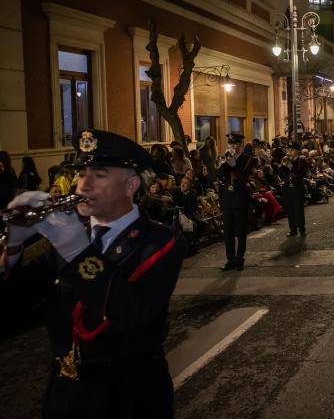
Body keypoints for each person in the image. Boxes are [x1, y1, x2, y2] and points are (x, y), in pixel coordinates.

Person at [3, 129, 186, 418]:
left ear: (131, 185)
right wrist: (12, 246)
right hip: (65, 395)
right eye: (80, 174)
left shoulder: (159, 240)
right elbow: (12, 308)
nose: (83, 185)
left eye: (99, 174)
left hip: (129, 396)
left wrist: (76, 249)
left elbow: (130, 315)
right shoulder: (70, 238)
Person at [217, 133, 254, 271]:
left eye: (235, 144)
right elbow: (220, 174)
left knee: (240, 230)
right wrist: (225, 162)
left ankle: (240, 259)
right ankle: (230, 259)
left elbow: (243, 177)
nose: (232, 146)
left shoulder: (247, 159)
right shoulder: (225, 157)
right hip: (228, 198)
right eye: (230, 144)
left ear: (240, 145)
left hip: (240, 198)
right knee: (228, 231)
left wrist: (233, 163)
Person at [278, 142, 308, 237]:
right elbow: (280, 173)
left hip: (297, 188)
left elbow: (301, 173)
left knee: (298, 210)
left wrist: (290, 164)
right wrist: (283, 164)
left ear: (297, 151)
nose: (290, 151)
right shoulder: (286, 160)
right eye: (289, 150)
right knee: (290, 210)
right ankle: (293, 229)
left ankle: (302, 228)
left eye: (292, 150)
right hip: (288, 188)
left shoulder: (301, 161)